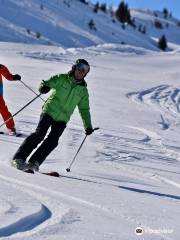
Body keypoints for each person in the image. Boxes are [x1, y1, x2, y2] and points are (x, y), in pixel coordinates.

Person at [12, 59, 94, 171]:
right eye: (80, 68)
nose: (81, 71)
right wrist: (44, 87)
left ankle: (34, 162)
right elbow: (46, 82)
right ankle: (19, 159)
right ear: (74, 68)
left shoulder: (83, 91)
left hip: (63, 119)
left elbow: (84, 109)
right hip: (49, 111)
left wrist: (88, 126)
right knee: (39, 134)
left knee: (53, 141)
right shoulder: (62, 78)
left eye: (85, 70)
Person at [0, 64, 21, 135]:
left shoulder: (0, 67)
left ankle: (11, 128)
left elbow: (8, 76)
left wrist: (14, 77)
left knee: (3, 110)